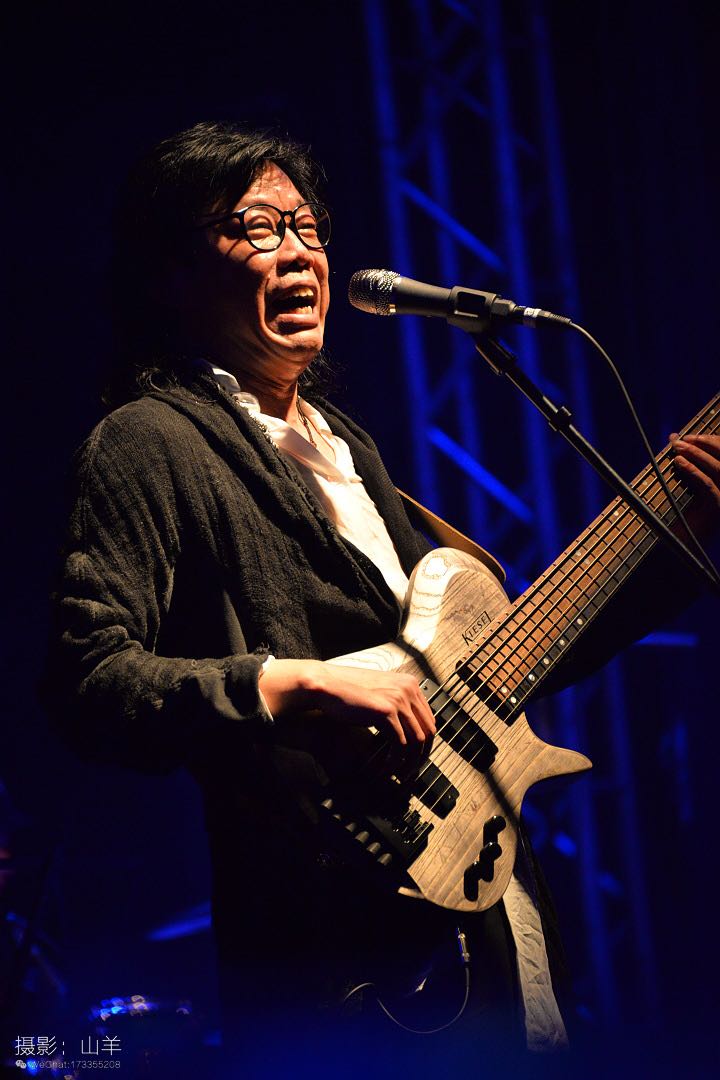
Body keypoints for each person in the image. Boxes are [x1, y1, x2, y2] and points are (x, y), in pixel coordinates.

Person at [45, 121, 720, 1074]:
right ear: (171, 272)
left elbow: (490, 682)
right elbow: (89, 681)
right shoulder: (151, 440)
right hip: (345, 966)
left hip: (484, 919)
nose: (300, 251)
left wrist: (675, 539)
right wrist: (293, 683)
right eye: (257, 227)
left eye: (308, 227)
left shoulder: (347, 448)